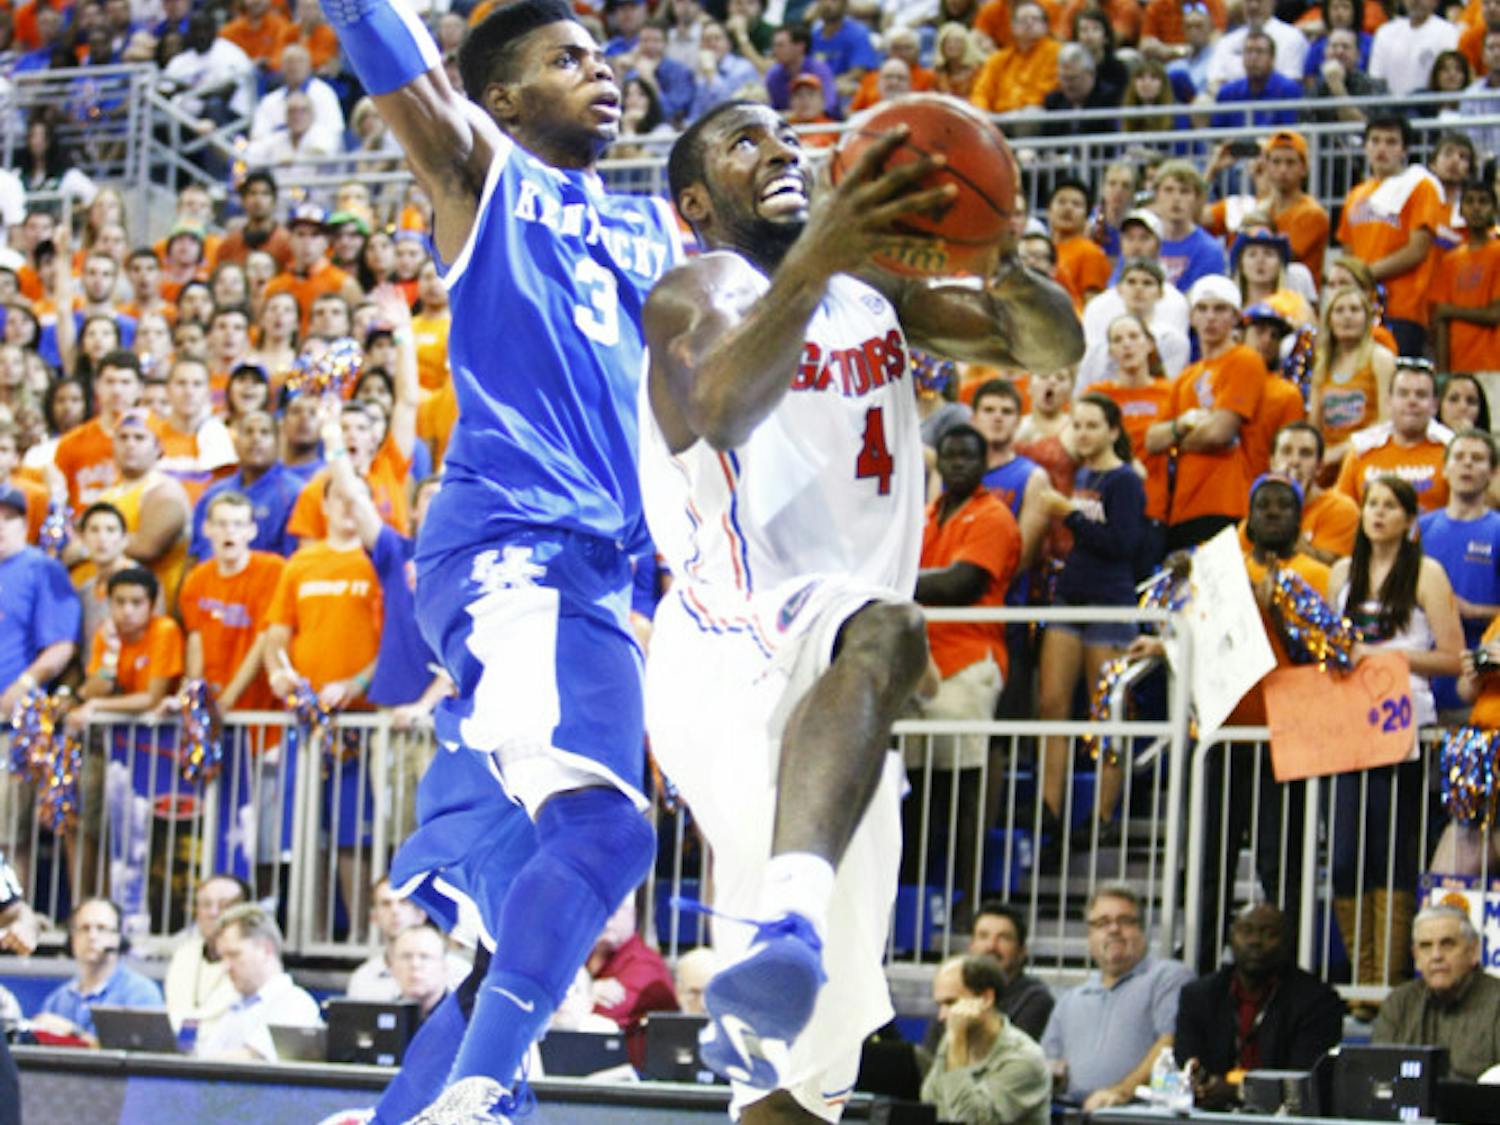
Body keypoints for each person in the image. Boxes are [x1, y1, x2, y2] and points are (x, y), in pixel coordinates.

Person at [640, 96, 1079, 1121]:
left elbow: (1044, 346)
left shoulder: (871, 291)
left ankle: (785, 945)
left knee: (800, 1073)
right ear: (696, 202)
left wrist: (1003, 250)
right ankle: (789, 917)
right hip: (730, 644)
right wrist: (822, 251)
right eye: (746, 142)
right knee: (891, 627)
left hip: (838, 702)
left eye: (788, 137)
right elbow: (725, 405)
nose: (782, 150)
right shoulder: (694, 288)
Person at [305, 0, 686, 1118]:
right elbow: (417, 96)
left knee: (526, 921)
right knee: (608, 831)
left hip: (594, 577)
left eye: (607, 57)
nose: (602, 74)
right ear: (504, 100)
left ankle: (415, 1112)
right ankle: (473, 1095)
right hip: (524, 547)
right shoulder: (491, 184)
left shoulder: (654, 233)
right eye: (569, 61)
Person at [1329, 476, 1463, 995]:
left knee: (1390, 848)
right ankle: (1361, 977)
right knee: (1344, 853)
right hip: (1346, 722)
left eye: (1389, 505)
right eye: (1371, 504)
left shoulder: (1427, 573)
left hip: (1403, 721)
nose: (1377, 513)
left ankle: (1386, 981)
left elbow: (1452, 658)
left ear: (1410, 520)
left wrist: (1386, 658)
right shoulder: (1343, 572)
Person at [907, 425, 1021, 914]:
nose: (955, 464)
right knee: (914, 791)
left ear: (983, 465)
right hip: (918, 664)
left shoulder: (993, 515)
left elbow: (962, 583)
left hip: (969, 660)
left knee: (964, 790)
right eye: (948, 456)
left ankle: (969, 903)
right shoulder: (927, 514)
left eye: (966, 457)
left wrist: (890, 582)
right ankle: (912, 903)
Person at [1037, 394, 1145, 851]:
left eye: (1092, 425)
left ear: (1113, 431)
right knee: (1051, 705)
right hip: (1071, 597)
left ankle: (1103, 815)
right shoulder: (1080, 475)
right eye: (1077, 425)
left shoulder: (1125, 481)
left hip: (1109, 601)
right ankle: (1049, 813)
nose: (1082, 433)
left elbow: (1123, 543)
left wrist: (1070, 515)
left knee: (1108, 712)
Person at [1175, 904, 1344, 1108]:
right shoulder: (1199, 995)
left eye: (1268, 933)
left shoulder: (1317, 1001)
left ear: (1287, 942)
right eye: (1246, 931)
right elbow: (1188, 1059)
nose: (1255, 941)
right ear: (1230, 938)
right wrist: (1198, 1082)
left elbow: (1305, 1081)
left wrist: (1238, 1091)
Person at [1041, 883, 1194, 1110]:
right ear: (1090, 936)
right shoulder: (1071, 999)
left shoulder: (1167, 977)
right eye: (1102, 923)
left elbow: (1169, 1043)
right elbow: (1048, 1063)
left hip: (1139, 1114)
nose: (1113, 929)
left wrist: (1120, 1092)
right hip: (1074, 1113)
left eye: (1125, 921)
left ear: (1142, 930)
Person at [1144, 276, 1265, 550]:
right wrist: (1184, 425)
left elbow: (1218, 433)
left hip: (1228, 500)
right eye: (1202, 309)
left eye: (1220, 309)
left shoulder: (1244, 360)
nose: (1210, 317)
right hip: (1182, 508)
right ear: (1192, 316)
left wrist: (1176, 438)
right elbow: (1151, 440)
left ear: (1235, 317)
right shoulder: (1187, 375)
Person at [1336, 116, 1447, 357]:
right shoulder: (1356, 194)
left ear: (1405, 150)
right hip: (1359, 307)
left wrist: (1364, 274)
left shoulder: (1420, 186)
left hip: (1403, 307)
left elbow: (1418, 249)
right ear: (1365, 147)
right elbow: (1348, 251)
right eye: (1375, 141)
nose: (1381, 148)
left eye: (1391, 142)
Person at [178, 491, 286, 714]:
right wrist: (193, 693)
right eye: (222, 523)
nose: (230, 531)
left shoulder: (273, 571)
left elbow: (264, 638)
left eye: (238, 524)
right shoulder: (196, 579)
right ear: (207, 528)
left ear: (252, 530)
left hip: (261, 709)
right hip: (212, 704)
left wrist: (229, 698)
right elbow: (195, 640)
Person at [1417, 430, 1500, 720]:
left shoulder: (1497, 530)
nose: (1467, 464)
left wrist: (1474, 610)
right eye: (1460, 457)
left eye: (1477, 459)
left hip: (1478, 685)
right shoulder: (1420, 528)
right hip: (1422, 684)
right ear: (1445, 467)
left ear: (1493, 472)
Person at [1371, 905, 1500, 1079]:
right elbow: (1379, 1074)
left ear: (1473, 951)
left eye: (1447, 944)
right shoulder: (1399, 1003)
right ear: (1416, 957)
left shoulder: (1496, 1002)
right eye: (1426, 946)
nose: (1436, 955)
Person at [923, 954, 1051, 1125]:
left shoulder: (1025, 1059)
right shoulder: (950, 1040)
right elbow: (930, 1102)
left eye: (951, 1003)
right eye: (939, 1005)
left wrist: (957, 1045)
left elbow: (970, 1120)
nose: (942, 1016)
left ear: (985, 998)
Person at [195, 903, 322, 1060]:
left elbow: (252, 1060)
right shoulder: (235, 1008)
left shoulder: (295, 1003)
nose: (225, 966)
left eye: (234, 955)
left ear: (266, 949)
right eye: (223, 957)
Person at [33, 897, 163, 1043]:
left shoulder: (140, 993)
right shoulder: (57, 1000)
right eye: (84, 928)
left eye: (101, 928)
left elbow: (145, 1056)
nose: (92, 936)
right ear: (72, 938)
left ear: (118, 937)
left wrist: (74, 1034)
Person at [1335, 362, 1452, 513]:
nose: (1412, 401)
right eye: (1403, 394)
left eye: (1421, 395)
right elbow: (1342, 511)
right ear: (1388, 402)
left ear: (1435, 405)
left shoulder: (1451, 450)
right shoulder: (1362, 449)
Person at [1310, 284, 1397, 480]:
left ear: (1367, 318)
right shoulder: (1322, 364)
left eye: (1354, 310)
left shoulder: (1380, 358)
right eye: (1339, 310)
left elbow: (1386, 422)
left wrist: (1342, 451)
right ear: (1329, 319)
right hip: (1327, 465)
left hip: (1367, 459)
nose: (1347, 316)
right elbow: (1314, 426)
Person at [162, 873, 249, 1032]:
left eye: (225, 906)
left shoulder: (251, 962)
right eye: (206, 905)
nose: (213, 913)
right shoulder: (184, 955)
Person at [1263, 421, 1359, 563]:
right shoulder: (1260, 505)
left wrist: (1290, 506)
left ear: (1319, 467)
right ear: (1272, 463)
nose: (1295, 461)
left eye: (1305, 453)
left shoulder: (1341, 508)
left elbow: (1330, 571)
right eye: (1286, 451)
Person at [1430, 180, 1500, 374]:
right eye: (1469, 202)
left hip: (1493, 365)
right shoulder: (1449, 261)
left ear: (1494, 210)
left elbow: (1495, 314)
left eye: (1483, 202)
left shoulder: (1497, 253)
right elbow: (1440, 318)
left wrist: (1451, 310)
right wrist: (1443, 373)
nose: (1476, 208)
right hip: (1457, 365)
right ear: (1460, 211)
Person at [967, 900, 1054, 1041]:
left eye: (1003, 938)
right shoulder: (958, 990)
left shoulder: (1036, 999)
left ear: (1022, 951)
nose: (991, 946)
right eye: (983, 936)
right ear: (971, 946)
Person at [969, 0, 1060, 114]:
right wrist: (982, 112)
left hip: (1035, 120)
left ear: (1045, 25)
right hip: (998, 120)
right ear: (1012, 26)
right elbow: (981, 93)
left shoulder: (1057, 53)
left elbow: (1047, 92)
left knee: (1032, 113)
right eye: (1023, 20)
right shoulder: (998, 59)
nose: (1029, 23)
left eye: (1035, 19)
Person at [1151, 162, 1228, 292]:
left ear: (1197, 199)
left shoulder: (1209, 250)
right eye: (1168, 190)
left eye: (1184, 191)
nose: (1176, 198)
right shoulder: (1141, 241)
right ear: (1156, 196)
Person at [1369, 0, 1458, 97]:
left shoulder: (1449, 32)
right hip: (1389, 107)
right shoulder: (1385, 33)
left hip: (1430, 107)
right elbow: (1376, 79)